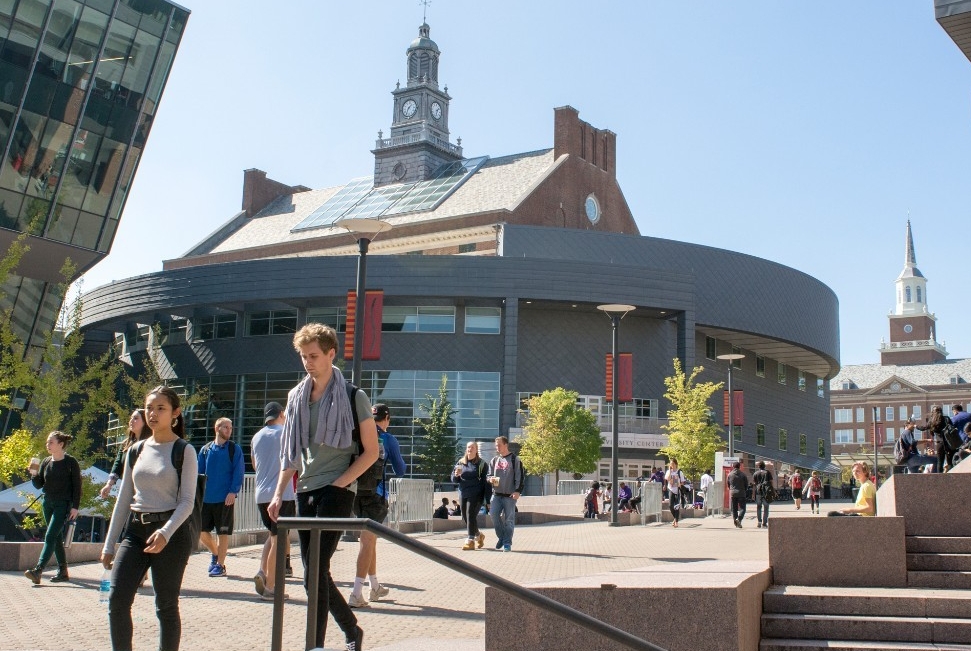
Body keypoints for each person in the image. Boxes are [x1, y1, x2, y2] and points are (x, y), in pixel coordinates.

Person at [267, 323, 377, 651]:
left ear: (331, 354)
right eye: (303, 356)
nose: (308, 362)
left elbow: (371, 452)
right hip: (305, 490)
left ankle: (316, 644)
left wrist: (340, 484)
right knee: (313, 572)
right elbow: (291, 453)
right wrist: (278, 494)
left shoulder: (353, 396)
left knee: (314, 571)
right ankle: (351, 629)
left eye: (314, 356)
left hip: (337, 490)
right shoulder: (296, 397)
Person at [101, 386, 198, 651]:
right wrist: (109, 544)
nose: (153, 414)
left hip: (171, 534)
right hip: (135, 531)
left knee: (166, 605)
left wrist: (165, 532)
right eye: (149, 408)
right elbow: (124, 499)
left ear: (175, 413)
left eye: (160, 408)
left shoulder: (184, 450)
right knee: (117, 600)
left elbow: (187, 502)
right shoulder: (135, 450)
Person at [348, 402, 406, 608]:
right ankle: (356, 593)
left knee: (369, 540)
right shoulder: (388, 439)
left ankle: (375, 586)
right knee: (367, 541)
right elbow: (400, 470)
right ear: (387, 418)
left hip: (355, 494)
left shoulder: (358, 435)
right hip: (376, 495)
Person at [24, 431, 82, 584]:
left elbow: (77, 486)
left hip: (63, 504)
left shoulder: (71, 462)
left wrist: (75, 507)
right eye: (47, 442)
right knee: (56, 537)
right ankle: (63, 571)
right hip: (47, 503)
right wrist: (33, 474)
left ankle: (38, 570)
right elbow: (39, 485)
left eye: (51, 442)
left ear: (61, 444)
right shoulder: (46, 462)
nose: (47, 445)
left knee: (50, 536)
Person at [251, 401, 294, 601]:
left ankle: (262, 570)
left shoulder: (256, 437)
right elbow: (295, 461)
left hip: (261, 494)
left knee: (273, 535)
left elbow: (254, 464)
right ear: (281, 414)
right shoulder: (285, 433)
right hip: (281, 494)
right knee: (279, 540)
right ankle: (270, 588)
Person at [197, 417, 244, 578]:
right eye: (226, 427)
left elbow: (238, 472)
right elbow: (199, 474)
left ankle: (220, 565)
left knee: (223, 533)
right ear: (217, 429)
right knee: (201, 531)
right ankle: (216, 553)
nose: (229, 430)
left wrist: (233, 491)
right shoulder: (205, 450)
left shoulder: (234, 449)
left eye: (230, 428)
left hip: (225, 499)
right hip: (206, 499)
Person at [100, 410, 152, 499]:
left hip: (146, 490)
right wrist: (109, 484)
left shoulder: (151, 444)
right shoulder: (126, 444)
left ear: (145, 422)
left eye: (136, 418)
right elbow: (118, 465)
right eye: (131, 418)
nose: (131, 421)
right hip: (127, 488)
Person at [488, 435, 525, 552]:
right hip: (496, 494)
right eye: (496, 446)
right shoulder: (494, 460)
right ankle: (502, 537)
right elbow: (488, 475)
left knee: (509, 520)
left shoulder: (515, 459)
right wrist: (490, 479)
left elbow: (520, 476)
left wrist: (518, 491)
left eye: (499, 445)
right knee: (493, 515)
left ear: (506, 445)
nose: (497, 447)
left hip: (510, 496)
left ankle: (507, 543)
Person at [453, 441, 491, 549]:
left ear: (476, 450)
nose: (470, 449)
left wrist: (488, 500)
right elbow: (454, 479)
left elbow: (486, 483)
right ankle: (479, 535)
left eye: (472, 447)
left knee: (470, 514)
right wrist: (456, 475)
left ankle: (470, 540)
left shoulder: (482, 464)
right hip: (463, 492)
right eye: (468, 447)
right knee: (466, 517)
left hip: (476, 494)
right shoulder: (461, 462)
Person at [917, 406, 955, 473]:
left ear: (933, 412)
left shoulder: (932, 421)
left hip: (940, 444)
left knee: (940, 462)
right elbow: (952, 428)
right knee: (950, 462)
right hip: (949, 443)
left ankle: (939, 477)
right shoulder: (946, 418)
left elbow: (923, 428)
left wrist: (916, 426)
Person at [663, 459, 686, 528]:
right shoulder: (668, 471)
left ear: (676, 464)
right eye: (670, 464)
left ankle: (676, 522)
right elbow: (667, 478)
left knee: (677, 506)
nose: (672, 465)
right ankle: (675, 518)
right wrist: (670, 471)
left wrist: (679, 484)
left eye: (673, 463)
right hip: (671, 489)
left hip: (677, 490)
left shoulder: (679, 472)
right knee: (670, 506)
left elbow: (682, 482)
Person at [726, 461, 748, 529]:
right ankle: (739, 519)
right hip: (741, 493)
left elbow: (728, 484)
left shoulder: (730, 474)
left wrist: (731, 489)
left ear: (733, 466)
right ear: (739, 466)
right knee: (743, 508)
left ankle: (736, 521)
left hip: (733, 493)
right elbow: (746, 485)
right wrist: (744, 490)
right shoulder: (743, 474)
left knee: (734, 509)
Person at [752, 461, 773, 529]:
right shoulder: (767, 473)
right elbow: (771, 482)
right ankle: (764, 523)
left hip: (758, 492)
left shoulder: (755, 473)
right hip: (766, 492)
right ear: (764, 466)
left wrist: (753, 494)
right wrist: (772, 490)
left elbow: (754, 484)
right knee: (766, 507)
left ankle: (759, 522)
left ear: (758, 466)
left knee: (759, 507)